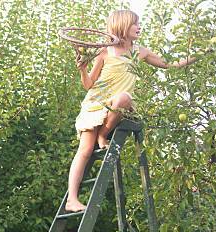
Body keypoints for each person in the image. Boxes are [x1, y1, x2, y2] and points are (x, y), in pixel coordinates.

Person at [65, 9, 198, 212]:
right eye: (135, 24)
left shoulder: (139, 51)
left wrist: (196, 55)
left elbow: (168, 65)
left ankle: (103, 135)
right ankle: (72, 199)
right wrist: (82, 69)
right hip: (95, 104)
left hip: (117, 105)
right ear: (122, 27)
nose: (139, 27)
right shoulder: (105, 52)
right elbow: (88, 84)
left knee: (124, 98)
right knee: (84, 151)